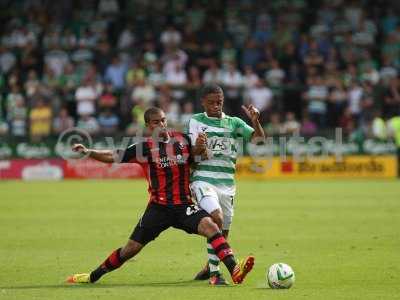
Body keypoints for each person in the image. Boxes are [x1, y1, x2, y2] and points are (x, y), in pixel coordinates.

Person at [66, 107, 254, 285]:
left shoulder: (182, 139)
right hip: (158, 208)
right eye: (156, 122)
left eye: (163, 120)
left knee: (211, 226)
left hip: (183, 205)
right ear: (149, 126)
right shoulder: (144, 148)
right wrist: (88, 152)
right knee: (130, 250)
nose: (162, 124)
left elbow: (198, 158)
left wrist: (200, 148)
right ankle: (93, 276)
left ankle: (234, 269)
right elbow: (113, 155)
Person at [186, 84, 265, 285]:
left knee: (223, 233)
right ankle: (215, 274)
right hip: (203, 179)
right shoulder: (196, 120)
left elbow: (259, 140)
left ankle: (209, 267)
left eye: (219, 102)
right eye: (211, 102)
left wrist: (256, 122)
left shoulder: (234, 123)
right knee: (216, 218)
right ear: (203, 102)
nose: (215, 105)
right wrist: (199, 146)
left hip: (227, 183)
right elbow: (193, 154)